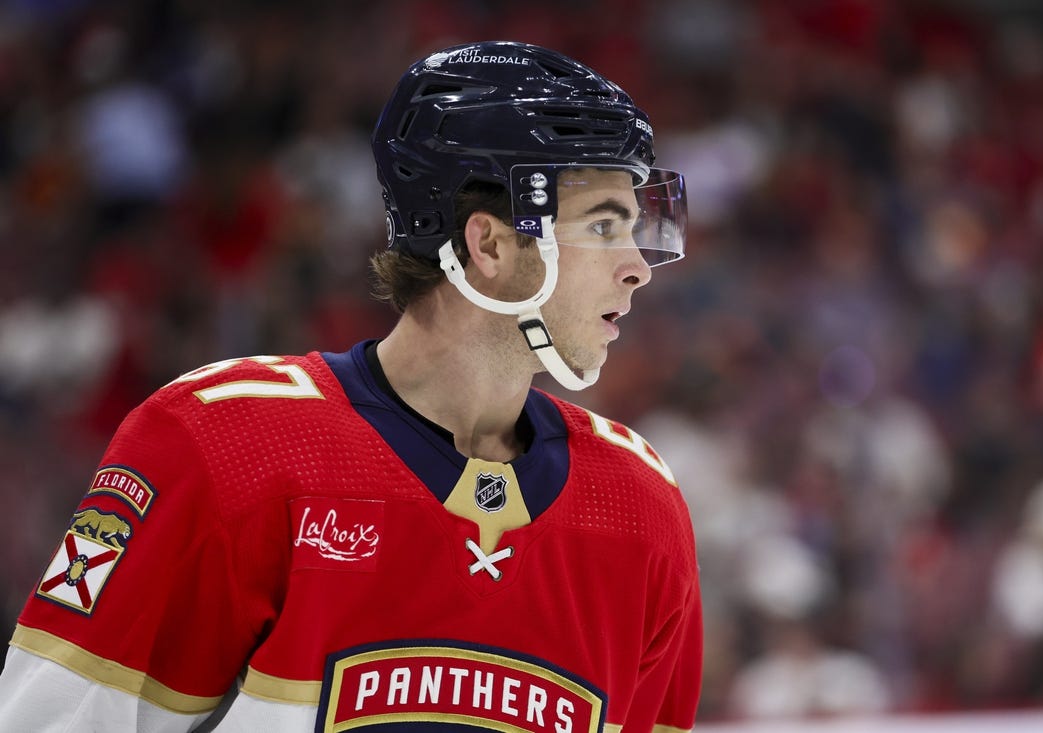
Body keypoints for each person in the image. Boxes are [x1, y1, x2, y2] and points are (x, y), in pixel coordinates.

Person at [0, 40, 702, 732]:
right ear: (487, 245)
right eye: (605, 224)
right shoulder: (222, 444)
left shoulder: (640, 507)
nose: (637, 265)